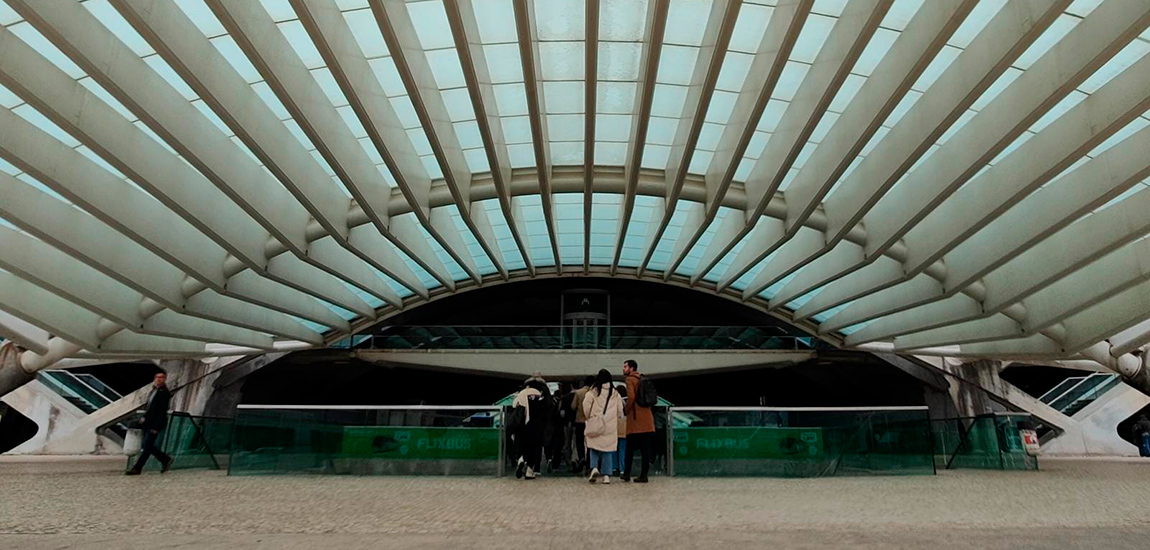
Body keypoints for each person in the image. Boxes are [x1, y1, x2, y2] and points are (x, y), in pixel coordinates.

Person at [126, 372, 173, 475]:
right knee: (147, 445)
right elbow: (150, 407)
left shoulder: (164, 393)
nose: (158, 379)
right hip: (148, 422)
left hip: (154, 424)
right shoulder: (153, 391)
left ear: (165, 379)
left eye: (161, 377)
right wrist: (145, 417)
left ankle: (137, 468)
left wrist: (156, 426)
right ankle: (165, 459)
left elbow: (161, 411)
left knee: (147, 445)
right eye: (157, 377)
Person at [582, 369, 623, 484]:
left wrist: (589, 417)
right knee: (607, 451)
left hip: (595, 423)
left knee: (593, 447)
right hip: (610, 426)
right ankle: (606, 476)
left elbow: (586, 407)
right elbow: (620, 410)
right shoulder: (615, 393)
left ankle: (594, 467)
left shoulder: (592, 392)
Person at [622, 359, 654, 483]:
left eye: (625, 366)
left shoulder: (630, 380)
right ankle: (644, 475)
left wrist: (626, 409)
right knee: (645, 449)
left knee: (629, 448)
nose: (623, 369)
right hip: (647, 419)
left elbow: (631, 397)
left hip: (635, 420)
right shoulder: (642, 378)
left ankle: (626, 473)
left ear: (631, 369)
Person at [512, 378, 550, 479]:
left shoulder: (522, 394)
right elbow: (546, 408)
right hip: (537, 425)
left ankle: (521, 459)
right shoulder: (539, 395)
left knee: (522, 445)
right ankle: (529, 470)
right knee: (534, 448)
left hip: (523, 425)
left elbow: (515, 405)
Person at [571, 375, 595, 473]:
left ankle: (581, 457)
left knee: (579, 441)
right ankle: (589, 463)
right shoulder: (594, 393)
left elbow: (573, 406)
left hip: (579, 420)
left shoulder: (578, 392)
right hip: (590, 421)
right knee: (590, 442)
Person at [612, 384, 628, 477]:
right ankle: (622, 468)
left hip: (614, 426)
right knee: (623, 448)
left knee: (614, 447)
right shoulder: (626, 401)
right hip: (624, 427)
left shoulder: (615, 401)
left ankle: (614, 467)